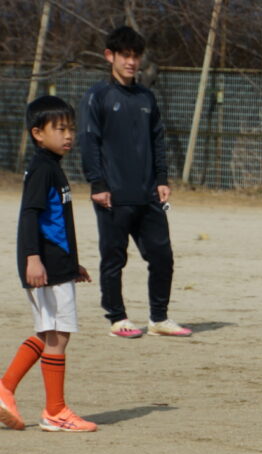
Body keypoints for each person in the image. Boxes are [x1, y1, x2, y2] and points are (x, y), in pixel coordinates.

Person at [79, 26, 191, 339]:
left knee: (162, 257)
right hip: (112, 195)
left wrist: (162, 178)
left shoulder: (146, 97)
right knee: (114, 258)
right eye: (125, 55)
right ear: (110, 56)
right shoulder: (97, 96)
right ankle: (117, 318)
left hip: (148, 194)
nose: (131, 62)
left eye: (135, 56)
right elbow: (88, 142)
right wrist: (97, 183)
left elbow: (157, 140)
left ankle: (159, 319)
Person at [0, 96, 96, 433]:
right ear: (38, 133)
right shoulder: (43, 169)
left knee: (46, 334)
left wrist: (73, 264)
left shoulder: (51, 166)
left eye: (71, 128)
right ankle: (55, 411)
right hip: (45, 265)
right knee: (58, 335)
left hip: (56, 263)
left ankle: (5, 389)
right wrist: (33, 258)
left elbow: (56, 222)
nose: (68, 135)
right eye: (60, 129)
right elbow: (30, 215)